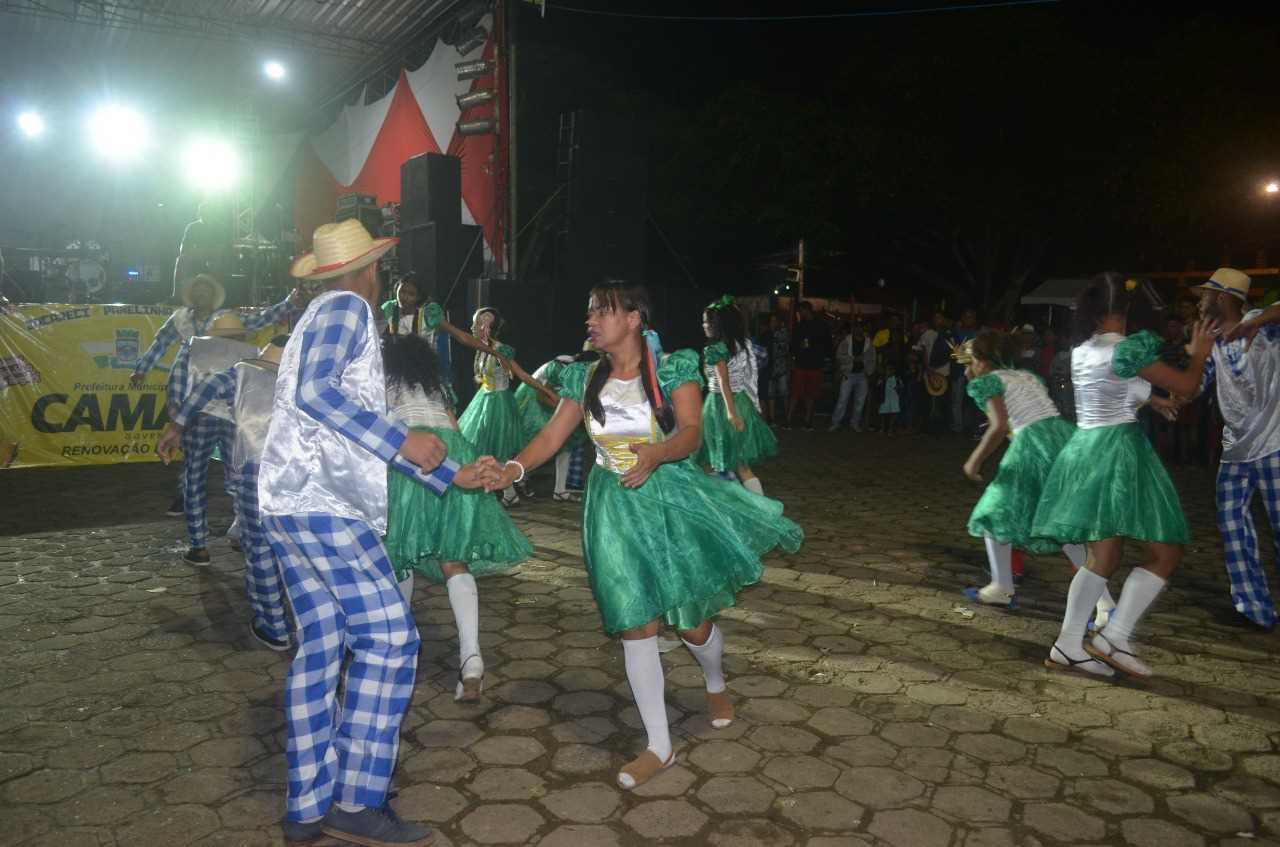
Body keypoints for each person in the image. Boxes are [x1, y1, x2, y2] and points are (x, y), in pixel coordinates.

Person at [480, 281, 802, 790]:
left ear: (634, 318)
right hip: (610, 509)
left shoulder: (671, 366)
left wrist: (657, 453)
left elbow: (692, 431)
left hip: (667, 499)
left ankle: (715, 680)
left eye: (601, 312)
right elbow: (550, 437)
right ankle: (660, 745)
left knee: (692, 625)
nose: (590, 320)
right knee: (636, 621)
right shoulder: (583, 375)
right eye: (588, 312)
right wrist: (513, 470)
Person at [258, 219, 484, 846]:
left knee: (322, 647)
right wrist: (404, 438)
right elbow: (314, 394)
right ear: (371, 268)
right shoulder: (348, 309)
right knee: (389, 640)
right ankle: (357, 803)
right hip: (324, 505)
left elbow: (346, 417)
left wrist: (454, 476)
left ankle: (306, 809)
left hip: (288, 503)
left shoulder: (313, 320)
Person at [1032, 272, 1213, 679]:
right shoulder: (1129, 348)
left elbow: (1116, 385)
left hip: (1085, 448)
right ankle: (1112, 635)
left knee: (1105, 556)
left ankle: (1072, 642)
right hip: (1118, 453)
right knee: (1166, 550)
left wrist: (1155, 401)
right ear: (1126, 311)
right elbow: (1188, 383)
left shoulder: (1083, 350)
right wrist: (1199, 353)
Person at [382, 332, 533, 699]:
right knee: (454, 560)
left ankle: (394, 654)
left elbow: (381, 427)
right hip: (453, 450)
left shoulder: (383, 379)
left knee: (399, 555)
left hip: (412, 451)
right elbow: (454, 424)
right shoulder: (437, 387)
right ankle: (472, 659)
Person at [956, 331, 1114, 621]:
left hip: (1033, 445)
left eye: (970, 363)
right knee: (1063, 526)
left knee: (994, 511)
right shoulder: (1026, 376)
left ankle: (1002, 586)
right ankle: (1104, 605)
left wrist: (973, 462)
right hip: (1063, 439)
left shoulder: (988, 382)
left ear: (983, 361)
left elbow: (999, 425)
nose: (968, 370)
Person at [156, 336, 293, 649]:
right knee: (297, 546)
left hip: (256, 467)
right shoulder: (307, 377)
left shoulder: (241, 373)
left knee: (258, 545)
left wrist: (176, 426)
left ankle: (273, 625)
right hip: (300, 473)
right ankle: (311, 619)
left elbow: (204, 389)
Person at [131, 274, 296, 516]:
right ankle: (190, 497)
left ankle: (240, 511)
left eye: (205, 290)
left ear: (213, 296)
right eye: (197, 290)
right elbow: (160, 344)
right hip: (195, 394)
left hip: (228, 398)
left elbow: (259, 320)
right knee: (194, 457)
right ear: (191, 296)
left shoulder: (226, 319)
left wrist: (288, 303)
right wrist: (142, 369)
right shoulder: (180, 320)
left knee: (234, 456)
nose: (201, 294)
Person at [1196, 268, 1280, 631]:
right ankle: (1253, 608)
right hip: (1235, 449)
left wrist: (1255, 321)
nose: (1198, 302)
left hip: (1275, 443)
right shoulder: (1209, 337)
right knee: (1232, 526)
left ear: (1224, 297)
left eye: (1205, 295)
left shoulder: (1264, 326)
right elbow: (1194, 385)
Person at [168, 312, 258, 565]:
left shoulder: (194, 346)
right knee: (239, 478)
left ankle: (199, 546)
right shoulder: (252, 351)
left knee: (194, 478)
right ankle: (242, 534)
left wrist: (176, 412)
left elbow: (177, 378)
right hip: (236, 420)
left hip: (198, 416)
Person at [457, 306, 553, 506]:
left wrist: (549, 392)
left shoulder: (501, 350)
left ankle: (507, 491)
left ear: (488, 327)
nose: (473, 327)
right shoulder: (481, 348)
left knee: (496, 447)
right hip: (484, 399)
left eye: (478, 323)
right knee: (481, 446)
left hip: (498, 403)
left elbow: (523, 375)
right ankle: (504, 492)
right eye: (474, 323)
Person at [696, 296, 777, 495]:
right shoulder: (743, 345)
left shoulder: (714, 348)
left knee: (712, 460)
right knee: (740, 463)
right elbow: (751, 374)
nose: (704, 325)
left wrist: (731, 413)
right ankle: (758, 506)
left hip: (721, 405)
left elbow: (723, 381)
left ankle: (729, 506)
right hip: (741, 401)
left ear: (719, 324)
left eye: (707, 321)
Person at [515, 347, 596, 501]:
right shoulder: (559, 369)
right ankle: (520, 476)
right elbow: (542, 396)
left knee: (566, 444)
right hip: (535, 402)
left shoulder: (578, 371)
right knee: (533, 439)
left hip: (554, 401)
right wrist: (567, 411)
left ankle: (560, 490)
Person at [380, 272, 455, 401]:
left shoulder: (428, 314)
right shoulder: (390, 309)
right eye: (402, 291)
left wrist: (494, 352)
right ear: (396, 288)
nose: (404, 297)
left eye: (411, 294)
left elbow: (458, 335)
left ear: (419, 297)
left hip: (423, 376)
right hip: (395, 375)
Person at [786, 301, 831, 430]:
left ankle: (806, 421)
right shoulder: (801, 326)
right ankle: (790, 420)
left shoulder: (820, 325)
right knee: (797, 393)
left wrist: (824, 360)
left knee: (809, 395)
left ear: (806, 310)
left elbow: (827, 344)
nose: (799, 314)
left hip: (813, 365)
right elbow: (793, 345)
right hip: (803, 364)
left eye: (800, 311)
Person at [830, 323, 875, 432]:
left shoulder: (869, 343)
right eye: (856, 327)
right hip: (848, 374)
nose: (858, 329)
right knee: (842, 399)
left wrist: (869, 372)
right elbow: (839, 356)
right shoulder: (846, 341)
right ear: (853, 329)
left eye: (860, 327)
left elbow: (872, 359)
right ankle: (836, 422)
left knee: (860, 401)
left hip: (862, 374)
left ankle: (855, 423)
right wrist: (853, 359)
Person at [950, 308, 978, 434]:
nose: (968, 319)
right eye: (966, 316)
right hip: (959, 372)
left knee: (972, 401)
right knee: (957, 400)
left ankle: (970, 426)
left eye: (971, 316)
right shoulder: (956, 332)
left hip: (973, 372)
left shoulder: (977, 334)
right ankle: (958, 426)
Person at [765, 312, 790, 424]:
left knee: (784, 392)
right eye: (771, 321)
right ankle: (772, 419)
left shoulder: (783, 333)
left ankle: (787, 417)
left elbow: (786, 349)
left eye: (775, 321)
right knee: (771, 395)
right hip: (770, 368)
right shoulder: (766, 334)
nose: (773, 323)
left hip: (781, 367)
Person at [878, 362, 901, 435]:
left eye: (891, 369)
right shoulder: (882, 378)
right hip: (885, 398)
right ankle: (882, 428)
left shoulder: (897, 378)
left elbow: (901, 386)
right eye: (888, 369)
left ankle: (890, 429)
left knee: (893, 413)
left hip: (894, 398)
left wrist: (898, 388)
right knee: (883, 413)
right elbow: (878, 386)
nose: (890, 371)